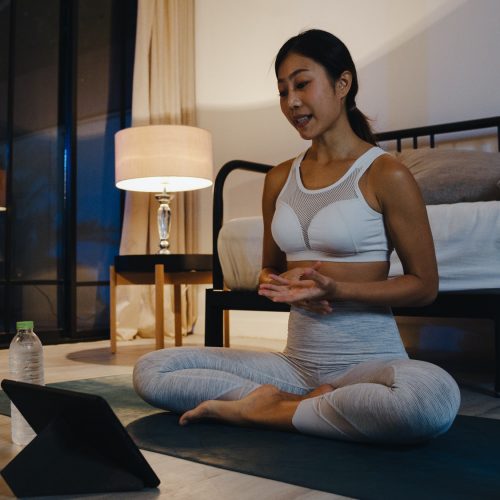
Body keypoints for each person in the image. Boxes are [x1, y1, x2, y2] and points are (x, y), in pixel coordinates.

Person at [133, 29, 460, 444]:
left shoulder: (386, 173)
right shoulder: (278, 178)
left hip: (369, 365)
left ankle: (265, 410)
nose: (292, 102)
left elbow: (424, 286)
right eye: (283, 91)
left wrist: (336, 289)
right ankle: (304, 405)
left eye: (302, 84)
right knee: (152, 370)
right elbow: (269, 266)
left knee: (428, 401)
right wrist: (273, 281)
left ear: (343, 84)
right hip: (295, 365)